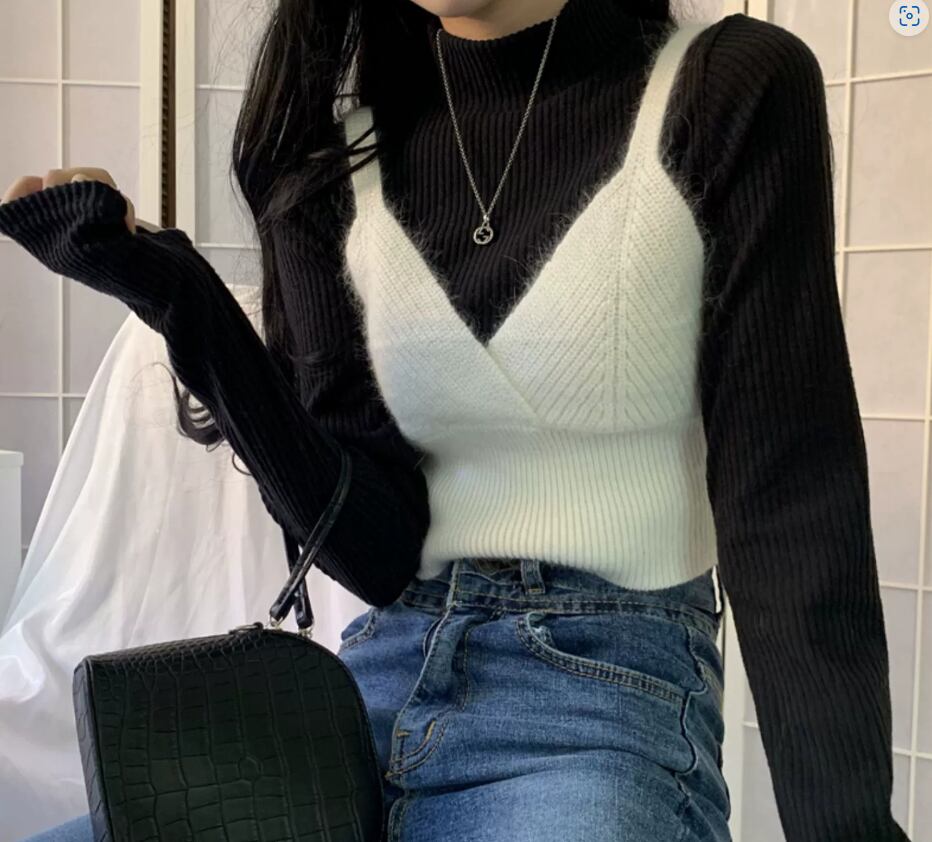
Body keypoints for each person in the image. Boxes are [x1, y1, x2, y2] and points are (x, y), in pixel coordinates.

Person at [0, 0, 907, 840]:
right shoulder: (331, 155)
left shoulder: (725, 88)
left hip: (602, 702)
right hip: (372, 696)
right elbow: (371, 548)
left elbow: (791, 505)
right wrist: (176, 297)